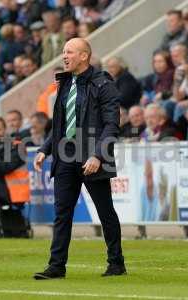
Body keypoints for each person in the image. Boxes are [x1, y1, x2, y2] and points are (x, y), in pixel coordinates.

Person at [33, 38, 126, 279]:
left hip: (92, 157)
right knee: (62, 212)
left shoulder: (103, 83)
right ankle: (56, 266)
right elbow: (61, 125)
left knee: (105, 211)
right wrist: (45, 148)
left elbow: (112, 125)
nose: (64, 56)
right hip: (65, 156)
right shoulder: (64, 84)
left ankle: (116, 263)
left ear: (84, 56)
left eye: (70, 52)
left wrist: (98, 155)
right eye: (63, 52)